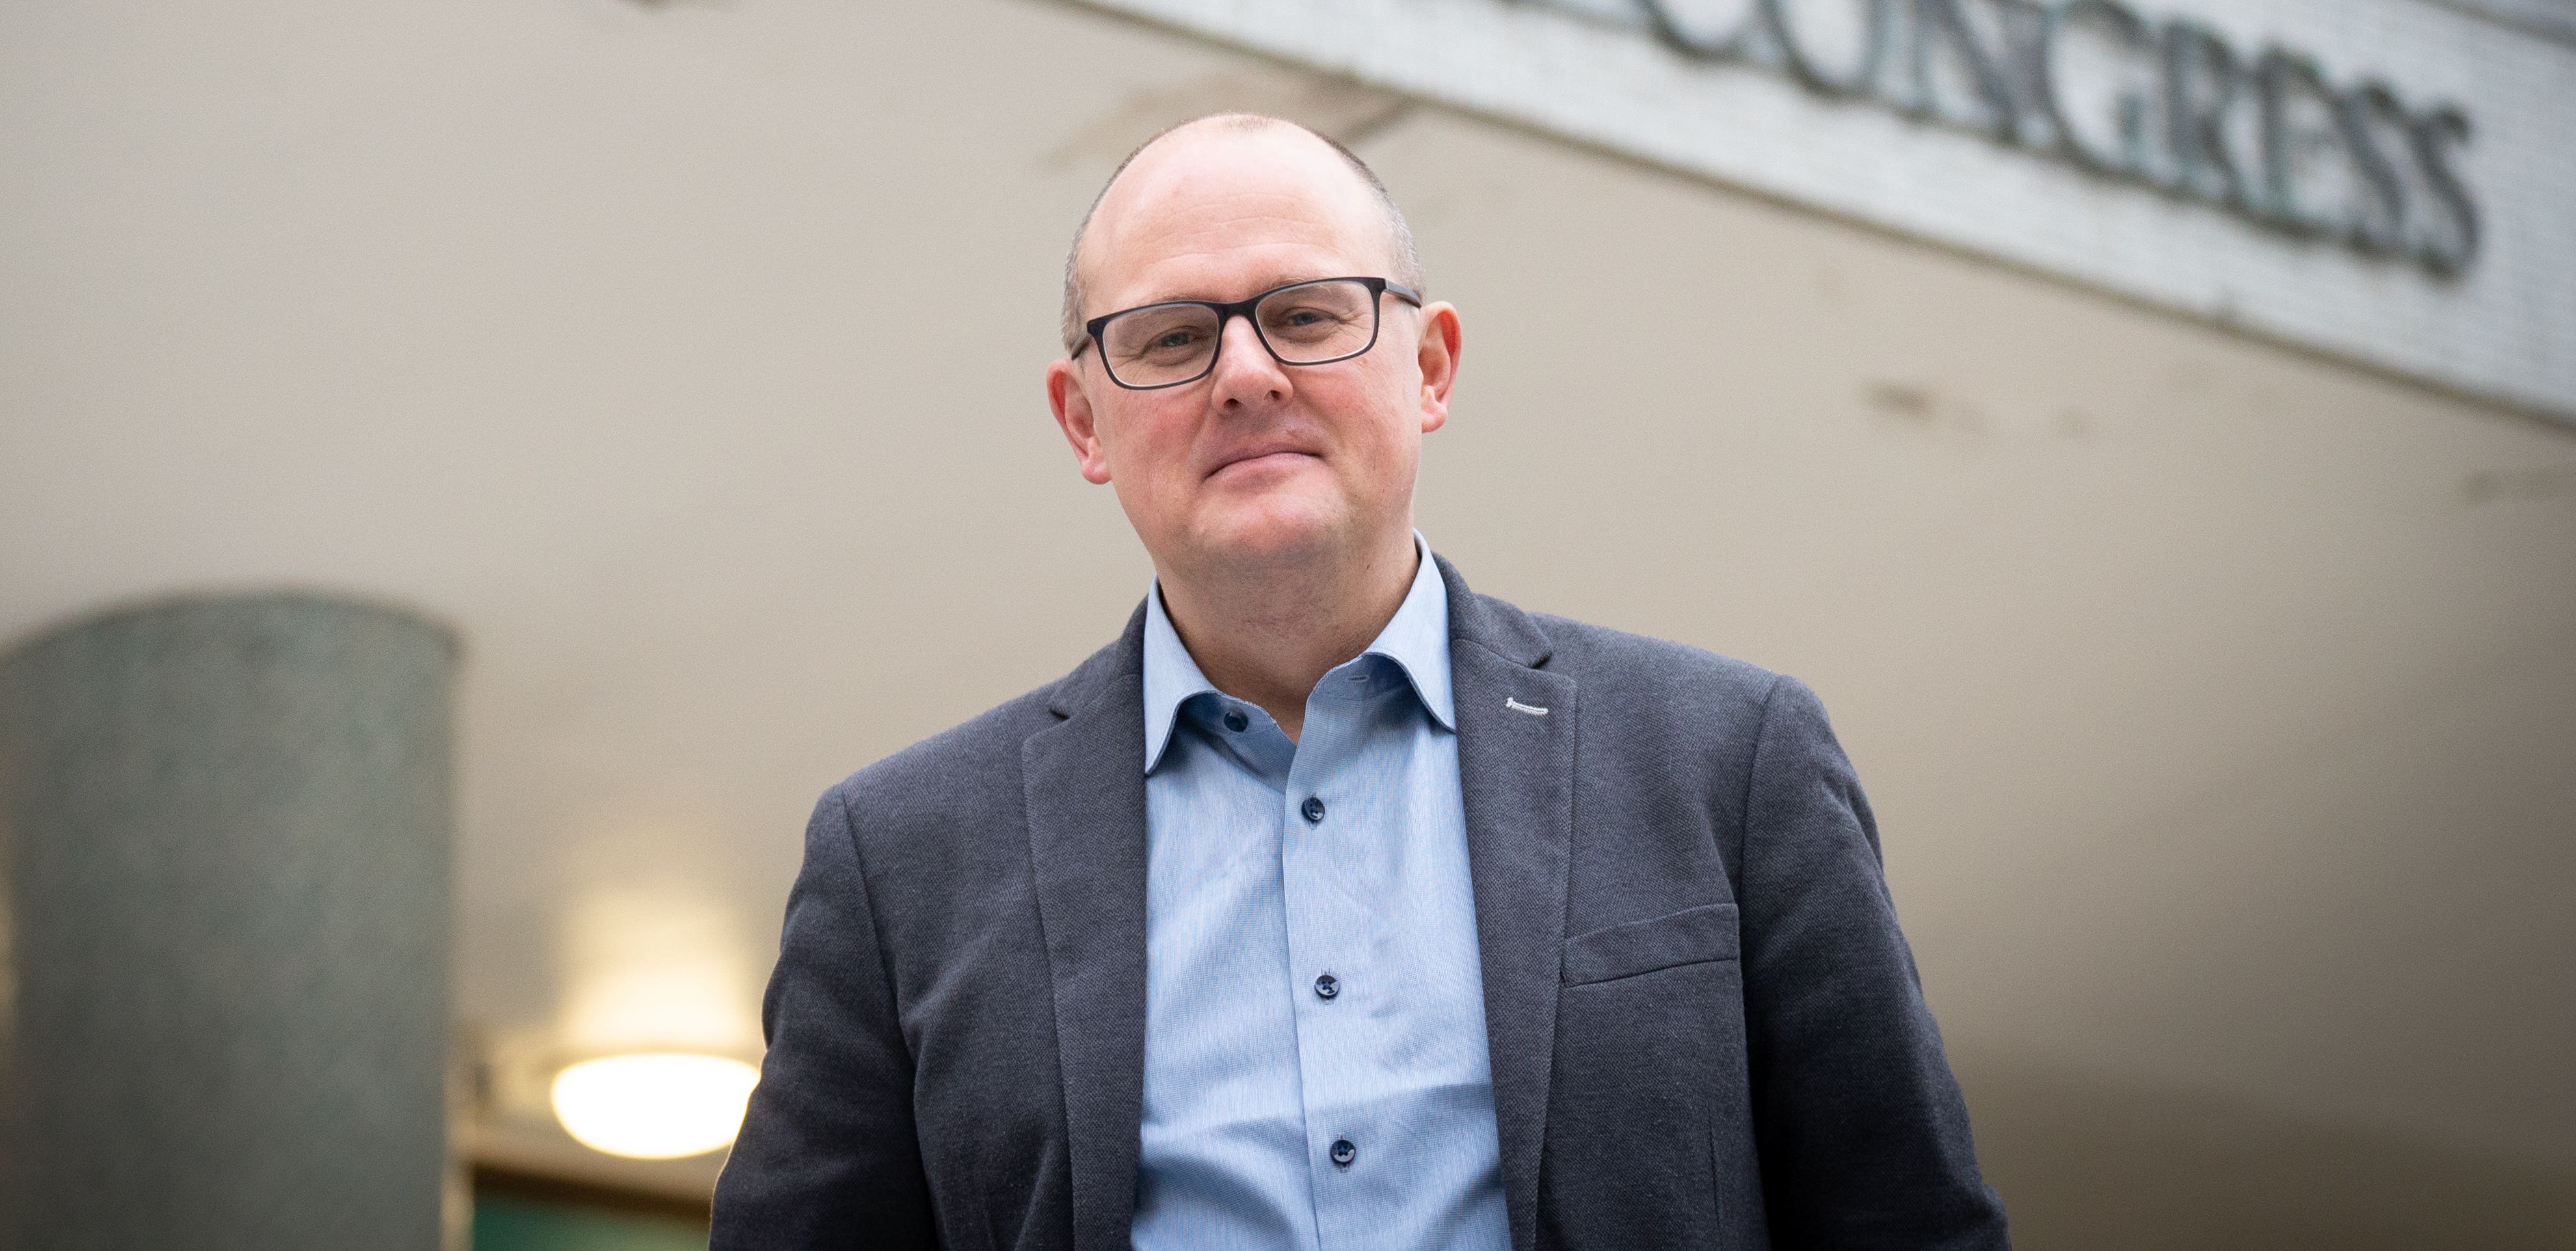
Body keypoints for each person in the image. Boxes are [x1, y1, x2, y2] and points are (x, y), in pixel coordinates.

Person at [710, 113, 2009, 1250]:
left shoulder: (1725, 764)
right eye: (1166, 339)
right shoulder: (902, 863)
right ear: (1080, 422)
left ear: (1428, 366)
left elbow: (1907, 1225)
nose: (1245, 376)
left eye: (1306, 314)